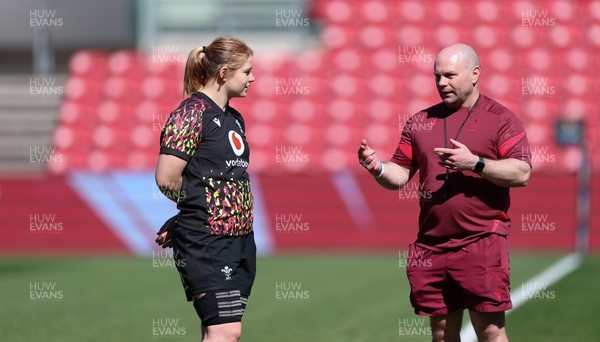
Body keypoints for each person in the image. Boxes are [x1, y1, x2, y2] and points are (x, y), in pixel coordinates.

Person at [358, 43, 531, 342]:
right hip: (432, 247)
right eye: (437, 76)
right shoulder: (419, 121)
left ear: (475, 74)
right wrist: (378, 168)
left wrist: (475, 164)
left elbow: (522, 172)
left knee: (490, 332)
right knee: (441, 334)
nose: (441, 83)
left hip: (481, 241)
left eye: (450, 75)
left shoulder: (500, 118)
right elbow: (400, 174)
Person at [155, 36, 256, 342]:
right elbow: (167, 177)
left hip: (239, 239)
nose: (253, 78)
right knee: (226, 331)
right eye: (247, 71)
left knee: (218, 331)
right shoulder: (192, 113)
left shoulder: (233, 119)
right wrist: (192, 215)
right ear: (224, 73)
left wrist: (186, 213)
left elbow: (216, 180)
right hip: (207, 240)